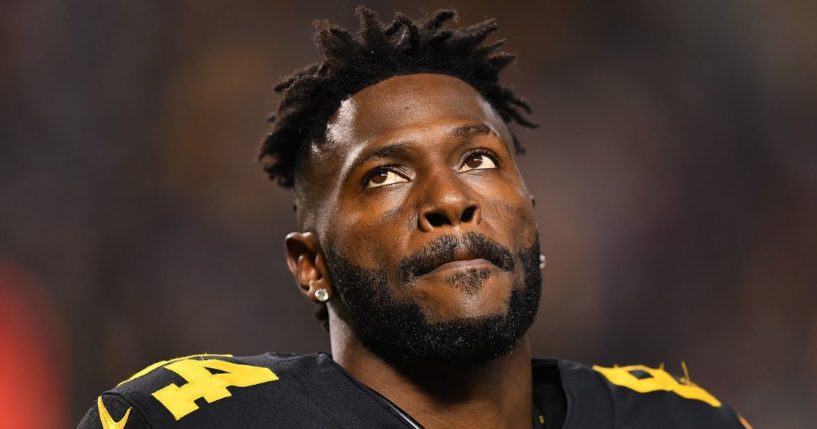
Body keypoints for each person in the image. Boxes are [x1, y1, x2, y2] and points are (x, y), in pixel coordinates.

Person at [78, 7, 751, 429]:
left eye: (479, 160)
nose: (447, 199)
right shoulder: (199, 418)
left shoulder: (674, 415)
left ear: (532, 222)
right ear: (310, 265)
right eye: (384, 175)